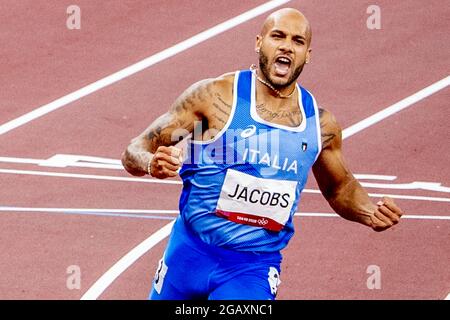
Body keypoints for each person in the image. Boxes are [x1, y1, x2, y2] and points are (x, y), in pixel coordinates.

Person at [121, 8, 403, 300]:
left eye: (297, 41)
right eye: (277, 36)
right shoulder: (214, 98)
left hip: (251, 269)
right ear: (258, 42)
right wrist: (151, 163)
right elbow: (135, 150)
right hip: (188, 254)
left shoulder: (319, 125)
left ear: (307, 54)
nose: (286, 46)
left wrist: (368, 212)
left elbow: (339, 187)